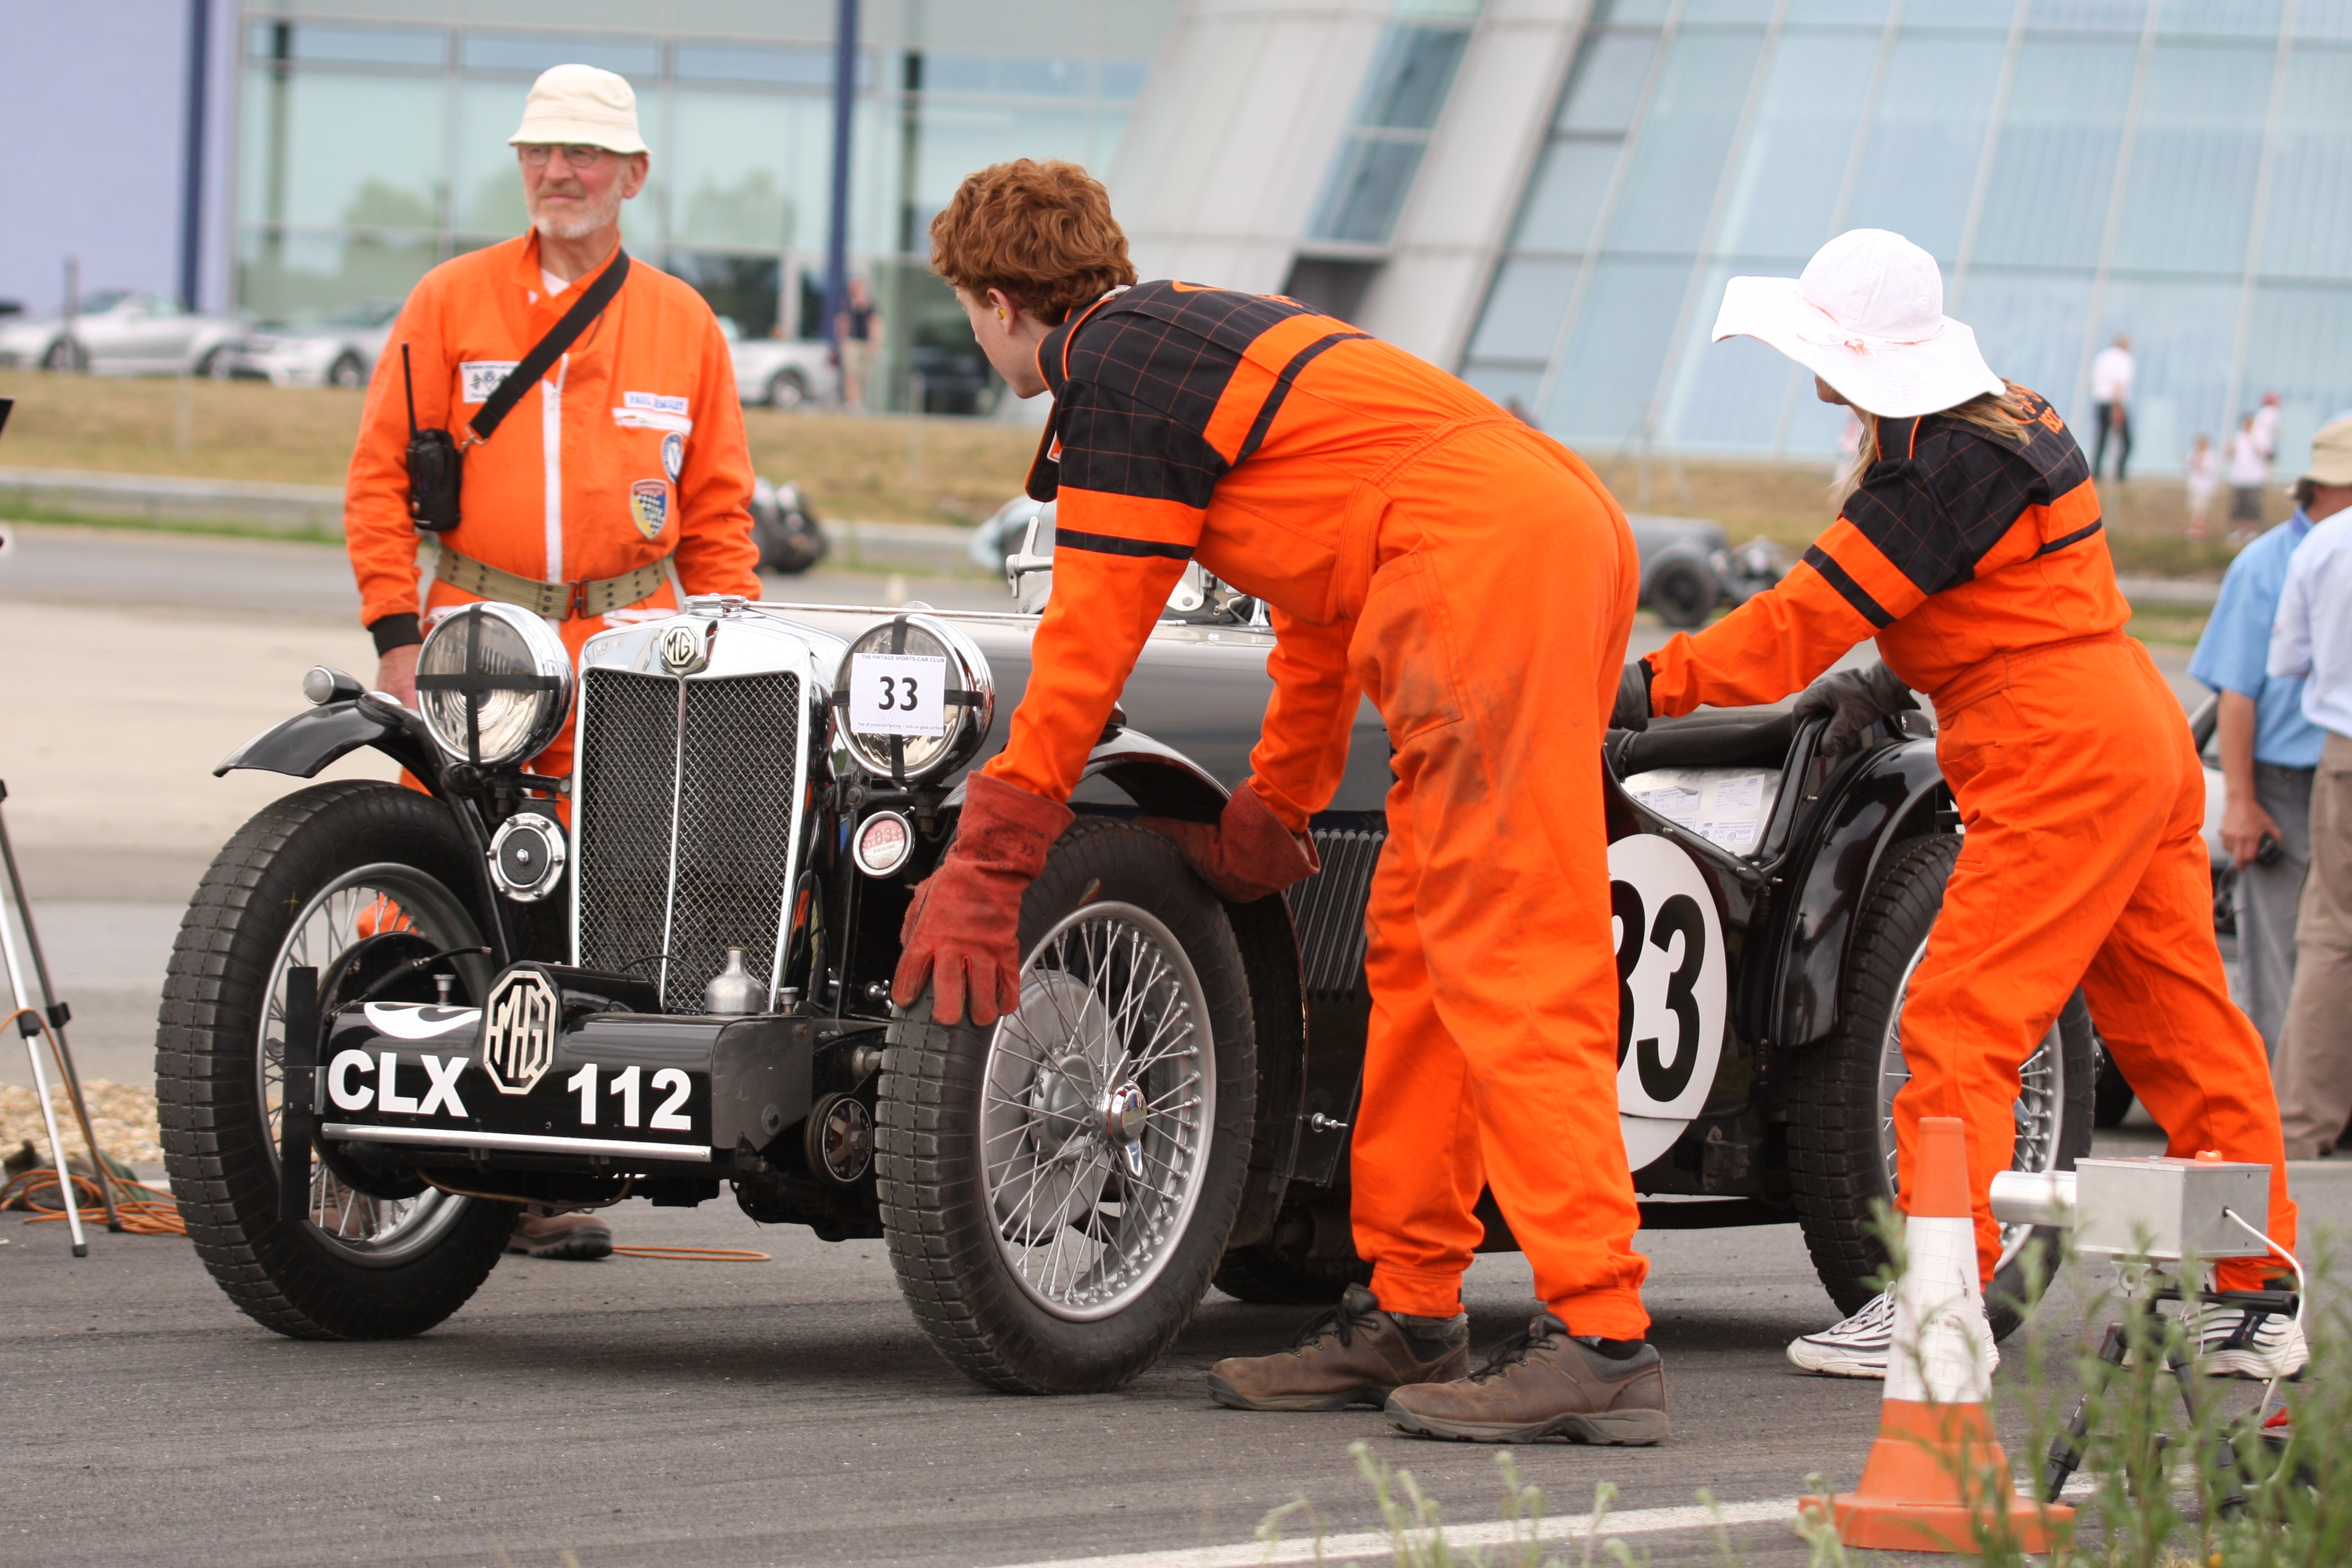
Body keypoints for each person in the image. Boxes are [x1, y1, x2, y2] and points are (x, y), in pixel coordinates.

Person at [903, 160, 1664, 1445]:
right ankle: (1411, 1310)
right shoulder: (1193, 332)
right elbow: (1318, 605)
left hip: (1485, 567)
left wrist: (992, 854)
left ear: (994, 301)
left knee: (1509, 963)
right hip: (1518, 536)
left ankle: (1603, 1335)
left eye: (968, 319)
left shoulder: (1120, 382)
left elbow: (1089, 648)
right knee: (1417, 957)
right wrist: (1279, 801)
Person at [1613, 229, 2303, 1380]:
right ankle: (2251, 1298)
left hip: (2054, 756)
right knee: (2182, 1027)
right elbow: (2003, 589)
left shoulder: (1928, 474)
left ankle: (1940, 1296)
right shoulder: (2010, 416)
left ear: (1858, 353)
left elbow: (1790, 622)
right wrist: (1890, 673)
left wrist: (1636, 687)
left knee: (1955, 1023)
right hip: (2126, 729)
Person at [344, 63, 762, 1259]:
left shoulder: (682, 323)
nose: (560, 174)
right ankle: (408, 1149)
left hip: (633, 648)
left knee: (604, 897)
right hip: (480, 648)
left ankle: (556, 1157)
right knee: (440, 879)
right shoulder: (449, 303)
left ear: (633, 175)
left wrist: (731, 640)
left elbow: (721, 515)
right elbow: (378, 481)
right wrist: (395, 634)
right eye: (542, 152)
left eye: (585, 156)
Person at [2189, 424, 2341, 1055]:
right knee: (2281, 952)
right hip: (2283, 782)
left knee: (2329, 946)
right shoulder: (2266, 562)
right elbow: (2237, 693)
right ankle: (2278, 1105)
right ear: (2331, 487)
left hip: (2334, 775)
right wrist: (2244, 801)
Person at [2266, 420, 2352, 1160]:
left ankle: (2304, 1123)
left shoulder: (2322, 544)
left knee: (2332, 932)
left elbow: (2288, 660)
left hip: (2345, 751)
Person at [2089, 332, 2133, 482]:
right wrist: (2118, 407)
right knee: (2127, 441)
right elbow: (2119, 383)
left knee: (2101, 439)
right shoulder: (2123, 358)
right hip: (2114, 402)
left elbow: (2093, 381)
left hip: (2099, 401)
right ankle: (2120, 475)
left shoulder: (2102, 357)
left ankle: (2096, 473)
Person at [836, 275, 880, 412]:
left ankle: (860, 403)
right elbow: (841, 321)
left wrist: (875, 342)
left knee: (863, 375)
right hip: (851, 342)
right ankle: (851, 403)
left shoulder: (870, 304)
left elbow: (875, 323)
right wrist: (842, 339)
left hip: (865, 343)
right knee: (851, 373)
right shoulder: (847, 303)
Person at [2228, 413, 2271, 544]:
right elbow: (2230, 454)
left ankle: (2253, 529)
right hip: (2239, 477)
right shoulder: (2238, 437)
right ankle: (2240, 530)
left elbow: (2266, 455)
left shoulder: (2261, 437)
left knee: (2253, 505)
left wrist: (2253, 440)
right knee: (2239, 505)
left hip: (2254, 478)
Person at [2185, 433, 2216, 540]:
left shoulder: (2210, 455)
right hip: (2195, 486)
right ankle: (2196, 527)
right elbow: (2188, 466)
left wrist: (2197, 460)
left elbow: (2204, 469)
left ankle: (2199, 529)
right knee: (2195, 508)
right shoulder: (2194, 453)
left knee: (2200, 509)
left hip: (2204, 487)